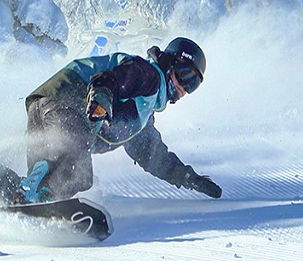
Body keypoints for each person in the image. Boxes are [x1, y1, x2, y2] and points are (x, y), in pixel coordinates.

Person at [14, 37, 222, 203]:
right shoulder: (147, 75)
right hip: (63, 104)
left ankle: (13, 191)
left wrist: (188, 178)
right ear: (170, 63)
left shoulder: (142, 114)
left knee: (57, 174)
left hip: (42, 108)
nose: (184, 89)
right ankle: (40, 195)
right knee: (78, 172)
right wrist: (101, 98)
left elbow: (153, 156)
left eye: (193, 85)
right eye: (185, 75)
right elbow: (110, 79)